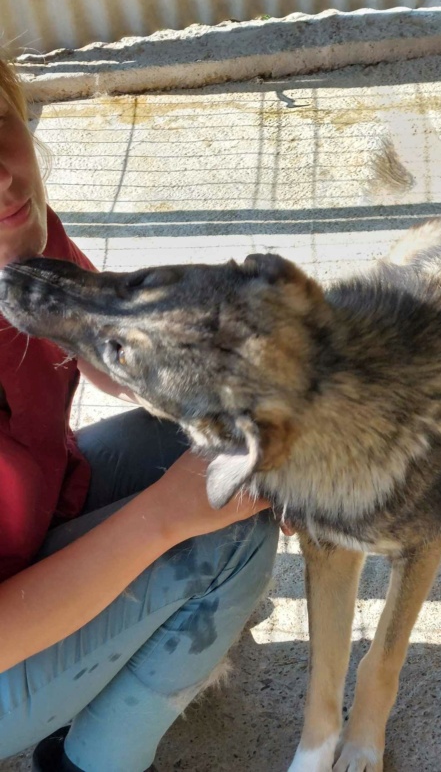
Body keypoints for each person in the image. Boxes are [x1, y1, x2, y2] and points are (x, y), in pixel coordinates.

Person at [0, 56, 279, 772]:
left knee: (204, 433)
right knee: (225, 532)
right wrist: (164, 517)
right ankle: (85, 762)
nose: (5, 177)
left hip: (28, 519)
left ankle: (114, 666)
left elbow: (111, 350)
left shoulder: (19, 236)